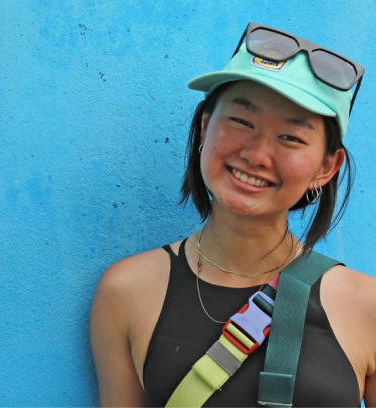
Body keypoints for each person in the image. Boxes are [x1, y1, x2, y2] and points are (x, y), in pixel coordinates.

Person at [90, 22, 376, 407]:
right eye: (242, 121)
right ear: (206, 126)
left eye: (290, 137)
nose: (256, 155)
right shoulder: (126, 291)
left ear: (326, 168)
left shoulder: (366, 305)